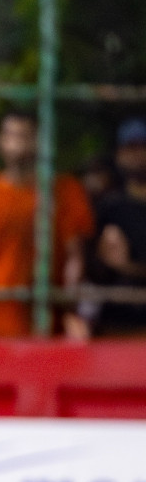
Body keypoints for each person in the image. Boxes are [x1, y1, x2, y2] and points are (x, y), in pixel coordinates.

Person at [0, 111, 94, 339]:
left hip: (48, 319)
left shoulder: (65, 190)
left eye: (25, 136)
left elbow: (74, 257)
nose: (16, 142)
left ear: (39, 141)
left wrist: (71, 311)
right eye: (10, 135)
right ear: (0, 141)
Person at [86, 118, 146, 336]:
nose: (137, 155)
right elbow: (92, 272)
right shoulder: (108, 208)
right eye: (130, 147)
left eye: (142, 147)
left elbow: (120, 265)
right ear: (119, 155)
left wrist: (127, 267)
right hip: (116, 324)